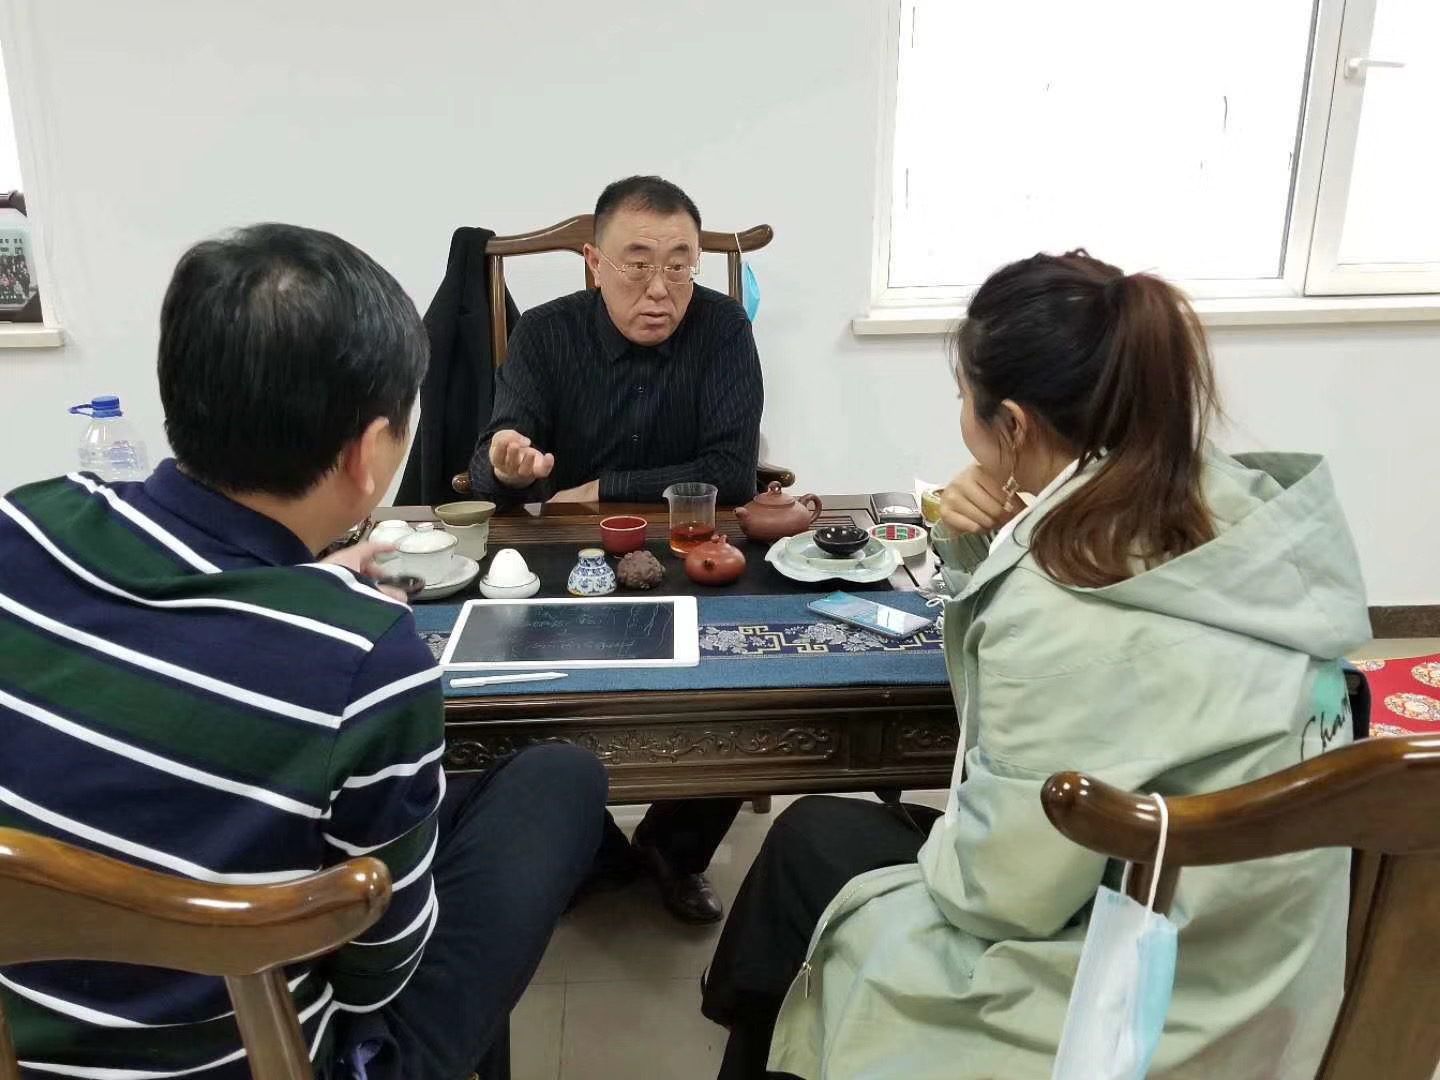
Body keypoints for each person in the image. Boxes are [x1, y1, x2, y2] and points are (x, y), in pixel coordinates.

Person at [700, 250, 1372, 1079]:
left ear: (1012, 425)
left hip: (1129, 996)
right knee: (814, 839)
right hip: (1258, 967)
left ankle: (768, 1040)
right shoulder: (1233, 511)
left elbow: (998, 895)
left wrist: (943, 845)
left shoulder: (1054, 602)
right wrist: (990, 541)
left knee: (821, 869)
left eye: (963, 398)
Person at [0, 224, 608, 1080]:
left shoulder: (27, 522)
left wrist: (303, 582)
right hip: (267, 1057)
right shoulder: (366, 658)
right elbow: (376, 978)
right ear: (367, 453)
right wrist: (329, 611)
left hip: (22, 1043)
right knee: (560, 780)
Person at [471, 176, 764, 924]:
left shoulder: (724, 328)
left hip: (690, 546)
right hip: (570, 557)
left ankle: (673, 851)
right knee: (503, 691)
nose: (660, 288)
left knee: (749, 680)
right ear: (593, 263)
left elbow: (733, 470)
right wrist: (507, 465)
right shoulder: (545, 334)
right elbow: (496, 455)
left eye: (679, 265)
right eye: (637, 263)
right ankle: (595, 850)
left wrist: (605, 486)